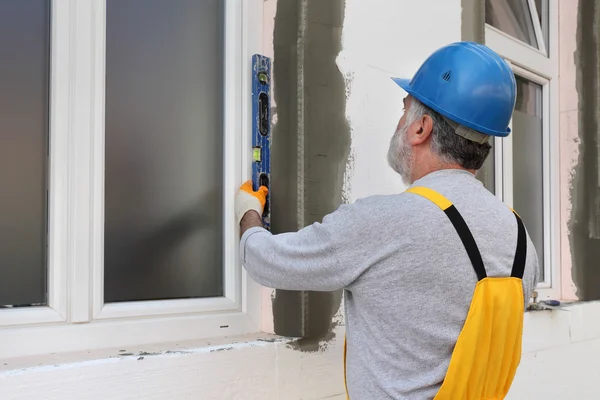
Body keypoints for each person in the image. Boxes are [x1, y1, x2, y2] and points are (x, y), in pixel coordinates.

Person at [234, 42, 538, 400]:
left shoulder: (384, 222)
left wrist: (247, 212)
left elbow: (264, 261)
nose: (399, 121)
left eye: (404, 109)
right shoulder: (520, 240)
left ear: (421, 128)